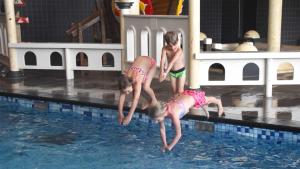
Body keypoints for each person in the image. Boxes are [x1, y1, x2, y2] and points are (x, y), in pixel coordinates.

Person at [148, 89, 224, 151]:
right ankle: (203, 105)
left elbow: (179, 135)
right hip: (184, 98)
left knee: (208, 100)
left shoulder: (174, 114)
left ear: (162, 113)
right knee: (200, 104)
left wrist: (170, 147)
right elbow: (162, 129)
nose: (155, 122)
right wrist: (164, 145)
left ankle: (218, 102)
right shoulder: (161, 112)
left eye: (157, 120)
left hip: (194, 96)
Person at [118, 56, 158, 125]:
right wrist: (120, 113)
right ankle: (149, 101)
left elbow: (136, 99)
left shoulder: (137, 80)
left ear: (131, 84)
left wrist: (129, 116)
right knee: (136, 90)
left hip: (151, 63)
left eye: (127, 91)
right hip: (139, 61)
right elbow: (122, 96)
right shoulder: (125, 79)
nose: (127, 94)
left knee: (145, 87)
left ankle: (154, 101)